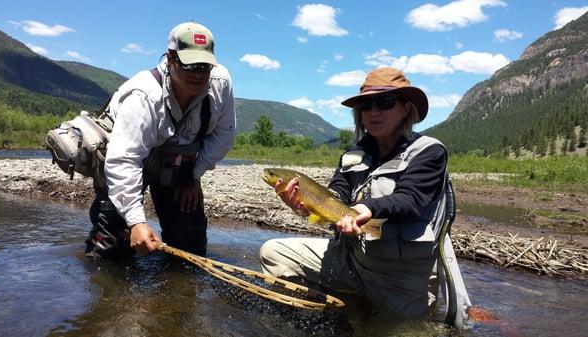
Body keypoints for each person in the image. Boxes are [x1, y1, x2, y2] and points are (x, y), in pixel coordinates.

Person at [259, 67, 454, 319]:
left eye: (384, 102)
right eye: (365, 105)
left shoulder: (429, 152)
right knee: (272, 253)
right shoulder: (353, 155)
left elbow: (410, 200)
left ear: (406, 108)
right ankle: (326, 313)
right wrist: (303, 205)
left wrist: (365, 209)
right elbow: (336, 194)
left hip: (400, 279)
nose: (373, 112)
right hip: (351, 261)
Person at [85, 21, 236, 258]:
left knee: (190, 248)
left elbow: (224, 135)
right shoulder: (143, 95)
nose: (198, 74)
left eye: (205, 66)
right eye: (190, 65)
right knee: (113, 245)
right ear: (170, 58)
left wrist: (193, 175)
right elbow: (124, 160)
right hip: (125, 159)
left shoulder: (221, 83)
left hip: (179, 159)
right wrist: (136, 222)